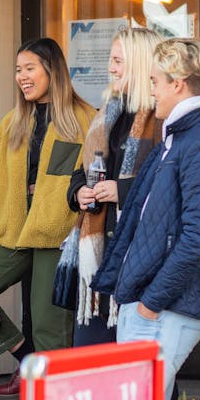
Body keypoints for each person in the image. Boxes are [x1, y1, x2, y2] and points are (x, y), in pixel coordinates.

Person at [0, 37, 96, 400]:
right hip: (12, 236)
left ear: (52, 71)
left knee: (49, 327)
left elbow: (89, 181)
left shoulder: (84, 120)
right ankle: (27, 361)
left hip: (56, 238)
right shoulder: (11, 123)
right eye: (18, 70)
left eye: (30, 68)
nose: (22, 77)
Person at [90, 38, 200, 400]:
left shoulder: (199, 141)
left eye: (154, 81)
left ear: (177, 84)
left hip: (163, 309)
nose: (151, 91)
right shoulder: (178, 138)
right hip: (151, 305)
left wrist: (151, 301)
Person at [64, 27, 163, 346]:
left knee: (139, 356)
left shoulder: (160, 119)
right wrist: (78, 192)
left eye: (118, 60)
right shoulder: (106, 113)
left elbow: (166, 182)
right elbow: (79, 172)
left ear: (138, 62)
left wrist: (120, 191)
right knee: (91, 356)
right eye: (111, 60)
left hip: (138, 255)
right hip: (99, 255)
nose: (111, 68)